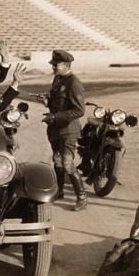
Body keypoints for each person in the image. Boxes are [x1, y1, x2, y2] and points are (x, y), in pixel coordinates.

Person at [41, 49, 87, 211]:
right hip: (55, 130)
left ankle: (81, 197)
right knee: (57, 161)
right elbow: (58, 103)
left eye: (56, 65)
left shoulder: (74, 83)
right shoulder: (58, 79)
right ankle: (59, 192)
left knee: (67, 164)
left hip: (68, 131)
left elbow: (79, 110)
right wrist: (47, 101)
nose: (53, 67)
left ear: (66, 65)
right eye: (53, 64)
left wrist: (55, 117)